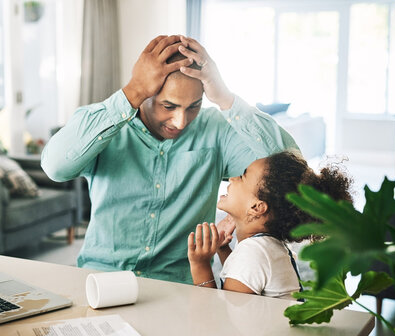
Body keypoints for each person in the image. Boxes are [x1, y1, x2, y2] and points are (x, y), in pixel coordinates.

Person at [42, 35, 298, 284]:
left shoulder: (217, 130)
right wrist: (133, 91)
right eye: (168, 106)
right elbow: (55, 167)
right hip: (102, 281)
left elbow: (292, 166)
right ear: (145, 94)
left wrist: (225, 98)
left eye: (193, 106)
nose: (181, 121)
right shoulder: (105, 122)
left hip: (182, 287)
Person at [187, 151, 352, 298]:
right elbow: (245, 279)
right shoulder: (263, 247)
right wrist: (223, 250)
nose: (232, 178)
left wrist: (200, 266)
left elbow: (224, 318)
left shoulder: (253, 253)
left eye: (243, 177)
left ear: (257, 207)